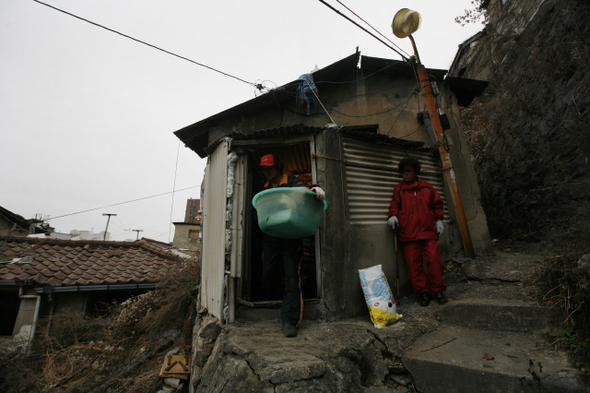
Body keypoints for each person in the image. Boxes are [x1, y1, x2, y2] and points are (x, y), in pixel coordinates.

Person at [256, 154, 325, 337]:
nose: (268, 171)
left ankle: (290, 320)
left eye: (270, 167)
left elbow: (306, 190)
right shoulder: (263, 188)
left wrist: (316, 188)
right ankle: (281, 301)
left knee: (291, 277)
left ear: (278, 166)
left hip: (290, 237)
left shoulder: (292, 181)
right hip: (271, 238)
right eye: (264, 169)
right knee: (268, 274)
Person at [387, 157, 448, 307]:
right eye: (403, 172)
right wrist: (393, 216)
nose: (405, 174)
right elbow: (394, 205)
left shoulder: (427, 188)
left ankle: (438, 291)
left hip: (428, 231)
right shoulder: (399, 189)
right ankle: (423, 293)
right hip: (409, 232)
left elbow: (437, 205)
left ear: (415, 171)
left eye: (408, 171)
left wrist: (439, 220)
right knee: (414, 264)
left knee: (434, 260)